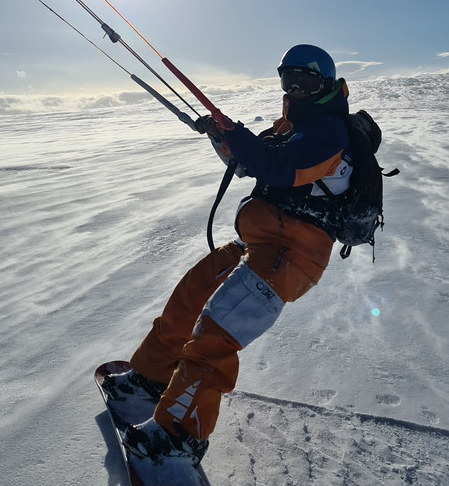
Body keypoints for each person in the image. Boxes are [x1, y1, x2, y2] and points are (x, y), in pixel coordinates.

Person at [103, 44, 353, 464]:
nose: (294, 88)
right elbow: (249, 162)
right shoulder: (292, 127)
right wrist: (224, 138)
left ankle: (180, 435)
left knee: (216, 333)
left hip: (292, 256)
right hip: (262, 242)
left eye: (304, 81)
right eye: (287, 79)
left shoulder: (330, 132)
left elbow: (280, 168)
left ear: (325, 85)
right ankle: (151, 377)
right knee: (192, 293)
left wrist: (238, 136)